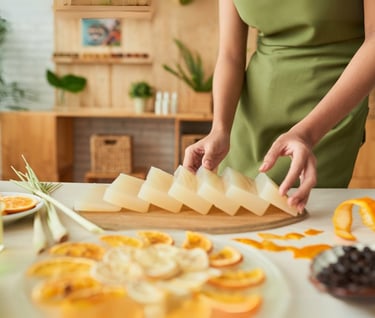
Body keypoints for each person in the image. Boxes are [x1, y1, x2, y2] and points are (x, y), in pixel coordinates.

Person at [183, 0, 375, 213]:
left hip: (326, 115)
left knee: (303, 221)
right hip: (252, 116)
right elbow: (230, 55)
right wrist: (220, 128)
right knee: (238, 214)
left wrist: (307, 134)